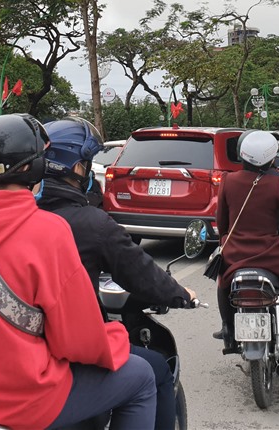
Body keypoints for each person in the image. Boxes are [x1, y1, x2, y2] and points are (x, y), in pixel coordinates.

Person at [0, 114, 156, 430]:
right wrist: (114, 338)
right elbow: (78, 341)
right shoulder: (47, 232)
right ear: (33, 168)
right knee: (142, 376)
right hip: (18, 401)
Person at [36, 117, 195, 430]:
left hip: (8, 359)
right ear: (75, 168)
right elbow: (141, 273)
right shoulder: (89, 224)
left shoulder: (3, 221)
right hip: (60, 358)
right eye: (87, 164)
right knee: (153, 371)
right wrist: (180, 294)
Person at [216, 130, 279, 353]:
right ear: (271, 158)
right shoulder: (277, 184)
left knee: (223, 280)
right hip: (270, 254)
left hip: (235, 254)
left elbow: (221, 221)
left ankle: (228, 329)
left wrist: (225, 244)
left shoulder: (228, 180)